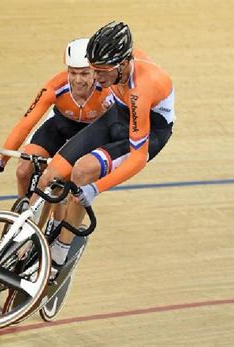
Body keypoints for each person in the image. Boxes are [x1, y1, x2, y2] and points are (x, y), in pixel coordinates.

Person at [36, 21, 175, 274]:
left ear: (122, 64)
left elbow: (137, 158)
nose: (96, 78)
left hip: (150, 129)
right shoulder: (115, 63)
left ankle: (58, 256)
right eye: (93, 69)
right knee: (51, 174)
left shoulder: (141, 89)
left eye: (101, 72)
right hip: (120, 115)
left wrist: (95, 189)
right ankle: (29, 240)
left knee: (82, 172)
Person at [0, 38, 113, 225]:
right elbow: (25, 124)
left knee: (62, 182)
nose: (78, 80)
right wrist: (0, 161)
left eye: (85, 73)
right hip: (59, 127)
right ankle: (25, 213)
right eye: (73, 73)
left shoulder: (108, 91)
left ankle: (59, 226)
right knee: (23, 169)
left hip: (88, 135)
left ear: (96, 71)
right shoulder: (55, 86)